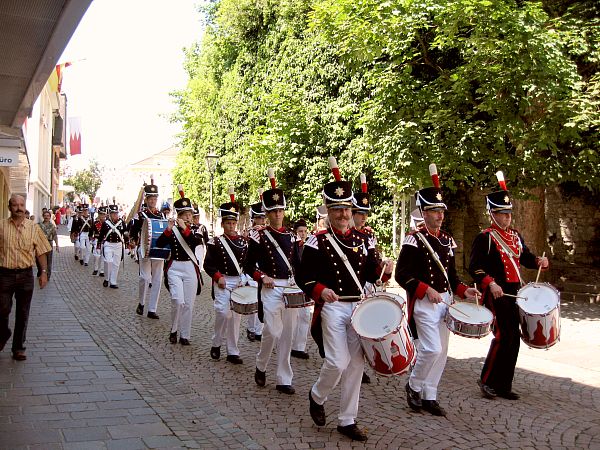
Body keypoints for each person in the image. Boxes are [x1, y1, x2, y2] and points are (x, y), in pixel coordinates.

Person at [296, 157, 392, 442]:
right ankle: (317, 394)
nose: (343, 214)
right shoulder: (318, 241)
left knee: (355, 364)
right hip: (334, 306)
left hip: (358, 307)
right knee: (337, 361)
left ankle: (347, 419)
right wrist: (320, 290)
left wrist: (385, 269)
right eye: (337, 209)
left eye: (346, 209)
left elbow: (373, 274)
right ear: (328, 210)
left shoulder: (363, 240)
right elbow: (304, 277)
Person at [395, 164, 479, 417]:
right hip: (424, 302)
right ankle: (414, 385)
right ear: (423, 212)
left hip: (445, 300)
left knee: (442, 350)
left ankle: (430, 394)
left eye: (441, 210)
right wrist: (424, 289)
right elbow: (402, 274)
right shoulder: (414, 239)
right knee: (431, 348)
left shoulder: (446, 240)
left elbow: (451, 276)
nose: (439, 215)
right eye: (433, 211)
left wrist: (464, 290)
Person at [469, 171, 549, 400]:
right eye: (502, 214)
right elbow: (474, 267)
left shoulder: (514, 236)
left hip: (515, 293)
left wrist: (538, 261)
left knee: (515, 337)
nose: (507, 218)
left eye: (508, 214)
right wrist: (490, 283)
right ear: (493, 214)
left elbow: (524, 257)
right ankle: (487, 381)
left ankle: (503, 384)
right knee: (504, 335)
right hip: (496, 292)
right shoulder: (485, 237)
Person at [244, 170, 300, 395]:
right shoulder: (259, 235)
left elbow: (298, 264)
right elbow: (248, 266)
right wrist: (261, 277)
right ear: (267, 213)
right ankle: (261, 363)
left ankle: (283, 378)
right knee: (273, 331)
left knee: (288, 333)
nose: (278, 214)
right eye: (274, 211)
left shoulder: (292, 236)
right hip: (269, 287)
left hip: (289, 287)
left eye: (281, 210)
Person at [0, 194, 52, 361]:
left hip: (25, 275)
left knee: (23, 312)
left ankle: (18, 348)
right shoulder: (1, 226)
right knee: (2, 310)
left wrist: (43, 273)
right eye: (15, 205)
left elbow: (42, 251)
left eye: (21, 204)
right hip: (4, 275)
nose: (19, 208)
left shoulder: (33, 228)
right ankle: (4, 333)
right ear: (9, 207)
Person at [155, 186, 203, 345]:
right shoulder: (173, 230)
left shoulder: (196, 230)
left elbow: (196, 243)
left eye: (190, 214)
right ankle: (174, 329)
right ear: (179, 216)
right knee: (178, 300)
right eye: (184, 215)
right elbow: (160, 243)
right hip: (174, 268)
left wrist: (185, 228)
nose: (188, 217)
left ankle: (185, 335)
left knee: (188, 304)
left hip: (190, 267)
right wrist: (168, 229)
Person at [204, 191, 248, 364]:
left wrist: (244, 278)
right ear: (223, 224)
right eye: (228, 223)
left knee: (235, 317)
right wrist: (217, 277)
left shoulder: (243, 242)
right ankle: (216, 343)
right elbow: (208, 264)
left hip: (238, 281)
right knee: (223, 313)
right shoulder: (215, 242)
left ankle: (233, 351)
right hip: (222, 280)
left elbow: (246, 264)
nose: (231, 226)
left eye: (233, 223)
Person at [128, 181, 166, 319]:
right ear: (146, 199)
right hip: (144, 248)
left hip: (159, 250)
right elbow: (133, 230)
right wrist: (132, 239)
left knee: (157, 279)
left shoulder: (161, 216)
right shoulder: (141, 215)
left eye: (155, 198)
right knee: (145, 277)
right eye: (150, 198)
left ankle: (152, 309)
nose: (153, 201)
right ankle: (141, 303)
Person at [245, 190, 266, 342]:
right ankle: (251, 328)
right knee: (253, 301)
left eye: (264, 217)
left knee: (262, 301)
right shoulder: (248, 234)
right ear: (253, 219)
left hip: (265, 270)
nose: (262, 221)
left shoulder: (268, 232)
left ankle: (259, 331)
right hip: (252, 269)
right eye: (259, 218)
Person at [290, 218, 312, 360]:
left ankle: (299, 347)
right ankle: (288, 344)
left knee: (305, 316)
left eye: (305, 231)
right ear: (295, 232)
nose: (303, 234)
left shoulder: (311, 245)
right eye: (300, 231)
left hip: (307, 284)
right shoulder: (291, 246)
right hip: (293, 283)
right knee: (293, 317)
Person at [97, 202, 128, 289]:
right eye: (113, 213)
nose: (115, 215)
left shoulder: (121, 222)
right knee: (108, 261)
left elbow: (125, 233)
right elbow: (101, 235)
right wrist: (98, 245)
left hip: (118, 245)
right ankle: (107, 278)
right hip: (108, 244)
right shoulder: (106, 223)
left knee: (116, 264)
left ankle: (113, 282)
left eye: (116, 213)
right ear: (110, 214)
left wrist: (127, 244)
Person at [37, 209, 59, 279]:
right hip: (40, 244)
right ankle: (40, 271)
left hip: (49, 243)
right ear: (43, 216)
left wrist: (57, 245)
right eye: (45, 216)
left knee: (49, 260)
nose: (46, 217)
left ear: (50, 217)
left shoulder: (52, 226)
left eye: (48, 216)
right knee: (38, 259)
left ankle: (48, 275)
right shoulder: (39, 225)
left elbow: (55, 235)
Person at [89, 206, 107, 277]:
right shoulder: (95, 223)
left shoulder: (107, 223)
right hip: (97, 240)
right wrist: (91, 239)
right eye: (101, 214)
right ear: (99, 214)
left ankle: (101, 271)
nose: (102, 216)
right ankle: (95, 268)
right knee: (96, 256)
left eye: (103, 214)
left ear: (105, 215)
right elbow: (91, 232)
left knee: (103, 256)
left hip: (105, 241)